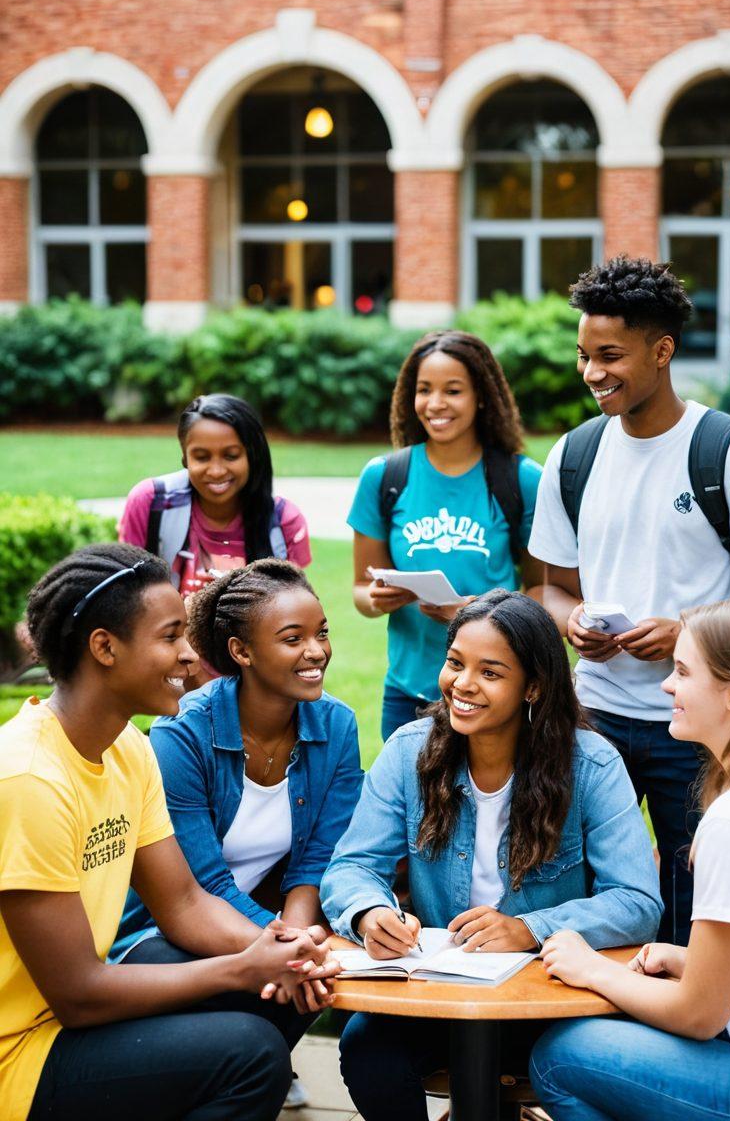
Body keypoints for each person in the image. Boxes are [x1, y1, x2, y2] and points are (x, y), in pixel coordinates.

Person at [0, 543, 337, 1121]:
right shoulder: (29, 778)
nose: (190, 656)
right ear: (104, 647)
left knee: (281, 989)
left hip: (64, 1020)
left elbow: (182, 904)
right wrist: (242, 965)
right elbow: (78, 994)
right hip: (19, 1051)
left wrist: (288, 951)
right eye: (170, 636)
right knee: (251, 1055)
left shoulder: (128, 748)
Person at [528, 255, 730, 942]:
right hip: (592, 721)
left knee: (691, 903)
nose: (593, 373)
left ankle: (681, 1030)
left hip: (699, 730)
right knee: (584, 897)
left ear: (662, 350)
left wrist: (686, 632)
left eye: (611, 355)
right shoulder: (573, 455)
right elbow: (550, 586)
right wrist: (574, 621)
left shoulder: (729, 455)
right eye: (585, 355)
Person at [321, 590, 661, 1121]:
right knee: (368, 1049)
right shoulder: (409, 751)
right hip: (438, 995)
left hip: (550, 1001)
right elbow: (352, 867)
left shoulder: (592, 765)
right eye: (455, 663)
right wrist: (371, 913)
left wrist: (530, 928)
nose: (463, 684)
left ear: (534, 687)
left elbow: (637, 901)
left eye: (491, 672)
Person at [530, 596, 730, 1121]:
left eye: (684, 673)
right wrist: (686, 960)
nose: (667, 685)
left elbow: (698, 1014)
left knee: (561, 1056)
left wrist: (592, 969)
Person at [113, 558, 363, 1106]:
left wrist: (295, 941)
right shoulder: (182, 735)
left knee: (298, 989)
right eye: (292, 638)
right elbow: (201, 885)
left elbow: (319, 858)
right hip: (158, 936)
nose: (316, 651)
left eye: (321, 633)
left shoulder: (337, 726)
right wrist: (291, 948)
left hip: (256, 930)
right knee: (290, 989)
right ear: (241, 652)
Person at [349, 330, 544, 741]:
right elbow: (360, 591)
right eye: (424, 390)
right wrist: (378, 598)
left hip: (494, 695)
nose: (435, 404)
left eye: (452, 390)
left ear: (481, 396)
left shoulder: (521, 479)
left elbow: (542, 593)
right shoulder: (384, 476)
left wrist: (484, 616)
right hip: (408, 695)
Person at [120, 392, 311, 587]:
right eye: (202, 457)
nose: (217, 471)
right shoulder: (152, 502)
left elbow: (294, 608)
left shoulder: (284, 521)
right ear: (185, 458)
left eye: (231, 456)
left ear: (252, 456)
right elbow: (128, 597)